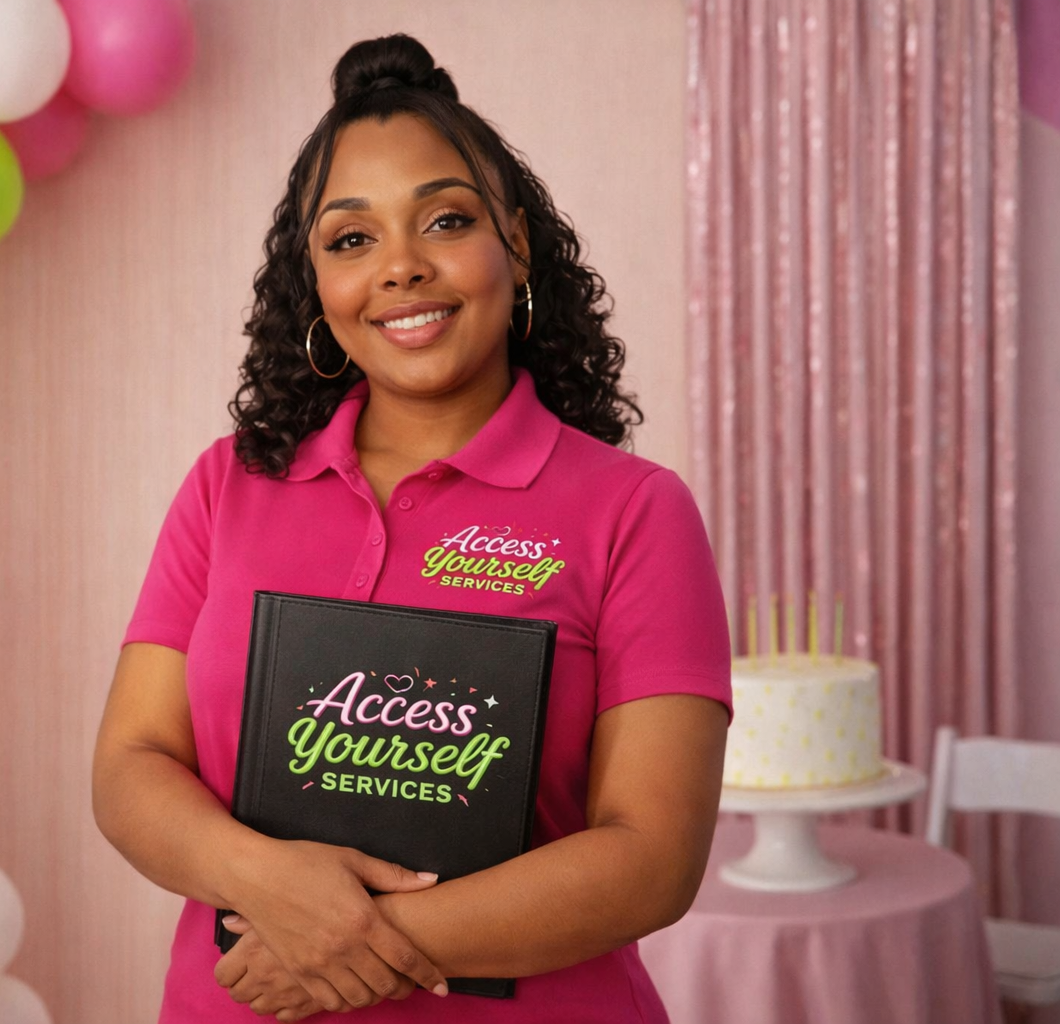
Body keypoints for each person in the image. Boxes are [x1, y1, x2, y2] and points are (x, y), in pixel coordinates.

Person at [92, 33, 732, 1024]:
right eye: (352, 240)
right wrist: (269, 884)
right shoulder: (230, 484)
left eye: (443, 220)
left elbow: (651, 858)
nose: (400, 268)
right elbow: (131, 766)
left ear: (514, 243)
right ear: (316, 285)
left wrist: (348, 938)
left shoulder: (635, 510)